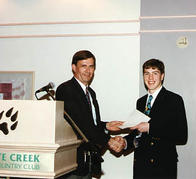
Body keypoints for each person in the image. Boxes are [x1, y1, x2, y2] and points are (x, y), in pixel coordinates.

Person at [110, 58, 188, 179]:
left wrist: (151, 127)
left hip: (163, 167)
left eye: (155, 73)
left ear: (162, 76)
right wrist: (125, 142)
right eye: (147, 73)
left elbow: (182, 135)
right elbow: (138, 134)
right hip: (141, 165)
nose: (150, 78)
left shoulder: (174, 100)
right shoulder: (140, 102)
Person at [56, 50, 123, 179]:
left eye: (91, 66)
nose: (88, 71)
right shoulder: (66, 89)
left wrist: (106, 125)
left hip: (87, 162)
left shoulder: (91, 93)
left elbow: (90, 121)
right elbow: (79, 123)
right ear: (74, 67)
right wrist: (108, 140)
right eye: (84, 66)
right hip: (72, 163)